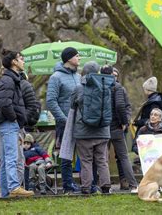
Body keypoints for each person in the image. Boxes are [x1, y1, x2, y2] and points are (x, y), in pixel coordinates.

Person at [0, 50, 33, 197]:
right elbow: (5, 103)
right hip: (8, 123)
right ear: (14, 62)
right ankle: (14, 187)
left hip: (7, 123)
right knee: (12, 157)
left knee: (5, 160)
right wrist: (14, 119)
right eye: (21, 59)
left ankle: (6, 193)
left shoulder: (9, 79)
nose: (23, 61)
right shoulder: (8, 80)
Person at [71, 61, 112, 195]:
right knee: (102, 160)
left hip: (83, 132)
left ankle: (86, 187)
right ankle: (106, 186)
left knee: (86, 161)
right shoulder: (106, 86)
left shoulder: (79, 88)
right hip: (102, 131)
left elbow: (72, 106)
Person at [46, 47, 81, 194]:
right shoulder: (55, 77)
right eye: (77, 56)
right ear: (68, 58)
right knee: (66, 155)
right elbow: (51, 101)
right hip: (64, 122)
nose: (79, 58)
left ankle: (87, 183)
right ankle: (67, 184)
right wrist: (64, 119)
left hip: (80, 122)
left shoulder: (79, 76)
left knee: (84, 153)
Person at [100, 66, 138, 193]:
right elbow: (121, 106)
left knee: (101, 158)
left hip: (102, 128)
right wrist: (124, 122)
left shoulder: (97, 87)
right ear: (112, 74)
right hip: (116, 127)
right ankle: (133, 185)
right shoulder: (117, 87)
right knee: (124, 157)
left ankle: (104, 186)